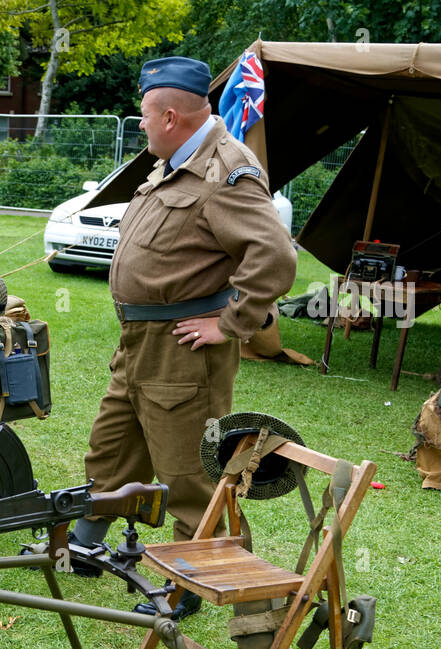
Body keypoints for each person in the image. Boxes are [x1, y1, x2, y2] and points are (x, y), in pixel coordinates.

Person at [69, 56, 297, 615]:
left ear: (170, 115)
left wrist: (230, 324)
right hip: (140, 344)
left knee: (187, 471)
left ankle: (193, 581)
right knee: (113, 446)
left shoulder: (226, 169)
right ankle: (86, 542)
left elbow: (272, 256)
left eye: (144, 116)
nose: (140, 124)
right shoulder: (173, 161)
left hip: (183, 351)